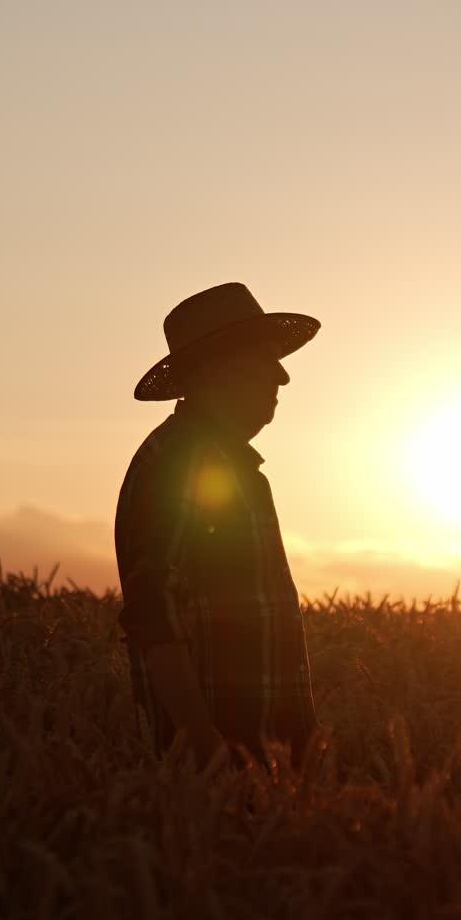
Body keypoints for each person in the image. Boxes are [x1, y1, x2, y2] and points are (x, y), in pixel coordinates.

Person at [115, 282, 321, 771]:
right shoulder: (179, 464)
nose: (283, 376)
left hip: (265, 766)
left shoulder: (229, 466)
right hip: (223, 769)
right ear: (217, 370)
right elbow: (151, 615)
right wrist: (204, 745)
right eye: (265, 360)